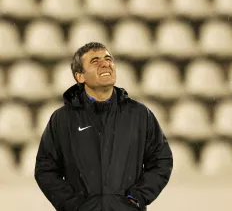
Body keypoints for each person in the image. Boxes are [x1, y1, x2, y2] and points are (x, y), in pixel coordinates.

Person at [34, 42, 173, 211]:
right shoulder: (62, 119)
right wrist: (73, 205)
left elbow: (161, 161)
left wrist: (136, 198)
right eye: (95, 61)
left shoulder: (139, 114)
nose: (106, 63)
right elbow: (46, 170)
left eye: (108, 59)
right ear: (80, 77)